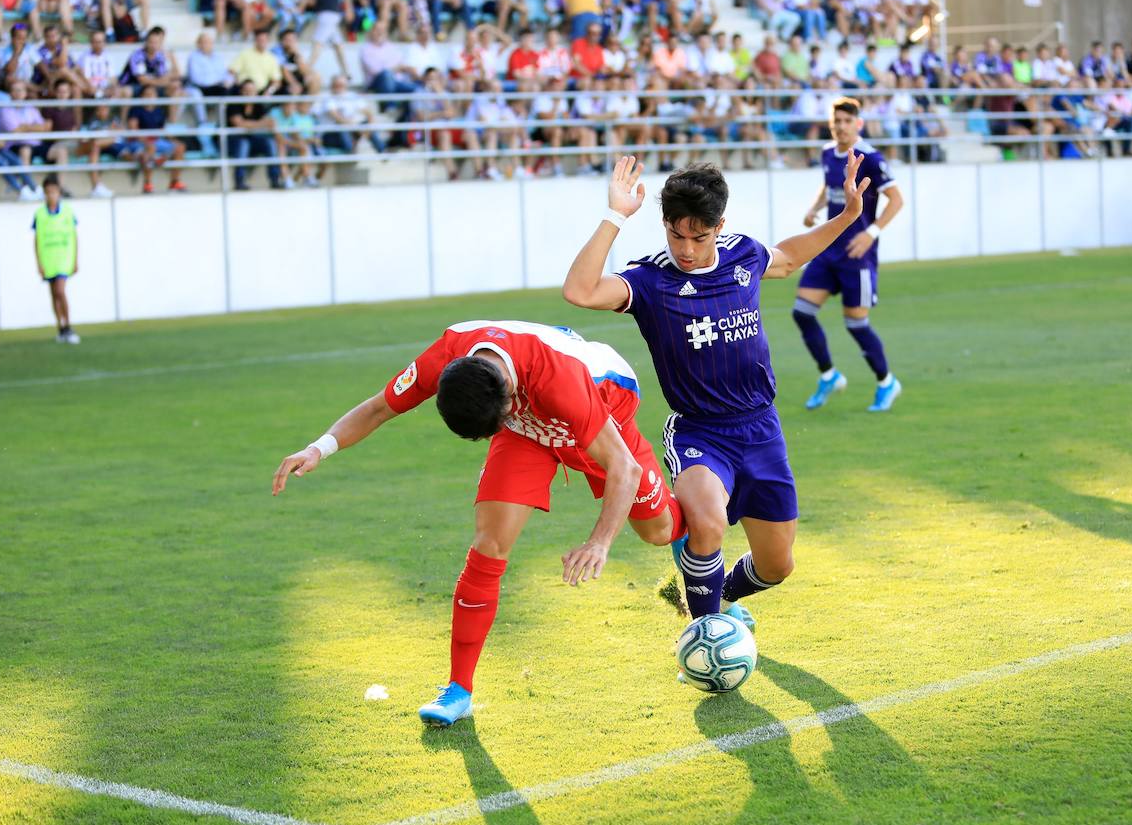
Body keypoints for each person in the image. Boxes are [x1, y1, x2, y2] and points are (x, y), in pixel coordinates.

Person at [272, 321, 687, 726]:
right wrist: (318, 449)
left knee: (659, 531)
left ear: (509, 399)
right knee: (489, 544)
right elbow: (381, 406)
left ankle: (699, 564)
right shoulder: (449, 355)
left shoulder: (561, 379)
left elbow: (624, 468)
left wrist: (599, 542)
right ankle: (458, 689)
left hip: (602, 411)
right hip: (526, 433)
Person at [560, 155, 871, 635]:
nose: (686, 248)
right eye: (676, 235)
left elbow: (787, 258)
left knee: (777, 565)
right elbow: (579, 291)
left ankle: (709, 590)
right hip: (699, 430)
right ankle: (703, 633)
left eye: (699, 237)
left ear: (718, 226)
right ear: (664, 226)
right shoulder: (649, 280)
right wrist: (615, 216)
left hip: (762, 429)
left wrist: (848, 216)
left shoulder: (744, 256)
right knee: (706, 522)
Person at [793, 97, 904, 411]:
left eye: (846, 121)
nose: (840, 127)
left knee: (856, 324)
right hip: (829, 249)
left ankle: (886, 382)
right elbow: (829, 187)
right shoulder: (828, 152)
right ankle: (828, 375)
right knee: (802, 312)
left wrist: (871, 233)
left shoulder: (870, 157)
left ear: (858, 123)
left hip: (858, 253)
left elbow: (896, 199)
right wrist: (814, 209)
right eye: (835, 121)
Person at [32, 174, 79, 345]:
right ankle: (60, 327)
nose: (51, 195)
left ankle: (68, 326)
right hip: (48, 260)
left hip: (64, 259)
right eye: (48, 192)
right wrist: (39, 263)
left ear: (59, 192)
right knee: (53, 294)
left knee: (60, 291)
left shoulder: (67, 212)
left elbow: (74, 236)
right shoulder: (40, 214)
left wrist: (75, 260)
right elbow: (37, 240)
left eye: (54, 192)